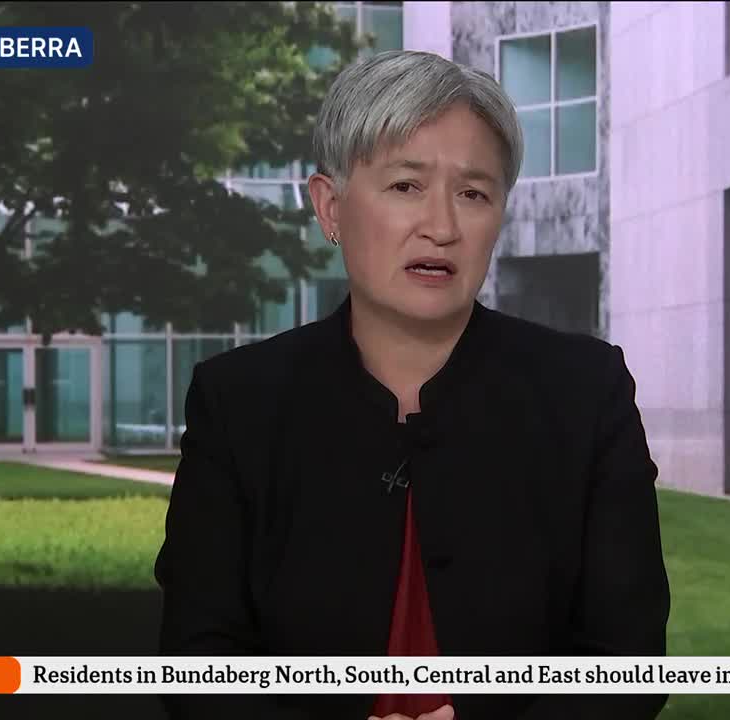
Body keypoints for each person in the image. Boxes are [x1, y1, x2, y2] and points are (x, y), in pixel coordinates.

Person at [155, 49, 671, 720]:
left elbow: (626, 663)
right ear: (330, 207)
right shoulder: (238, 402)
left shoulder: (584, 391)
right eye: (405, 186)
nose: (442, 226)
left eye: (473, 193)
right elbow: (199, 665)